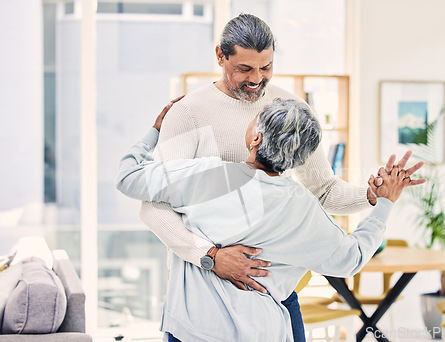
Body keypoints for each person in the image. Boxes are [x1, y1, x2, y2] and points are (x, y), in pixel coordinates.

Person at [139, 13, 426, 341]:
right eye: (245, 69)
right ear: (220, 56)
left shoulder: (288, 106)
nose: (256, 80)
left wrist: (372, 195)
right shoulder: (188, 113)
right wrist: (211, 257)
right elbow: (153, 207)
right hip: (202, 302)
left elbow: (325, 190)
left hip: (274, 297)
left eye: (266, 67)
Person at [117, 98, 420, 341]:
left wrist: (154, 132)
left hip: (195, 328)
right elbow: (351, 259)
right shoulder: (301, 208)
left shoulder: (205, 174)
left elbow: (127, 177)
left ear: (256, 137)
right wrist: (384, 202)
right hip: (264, 330)